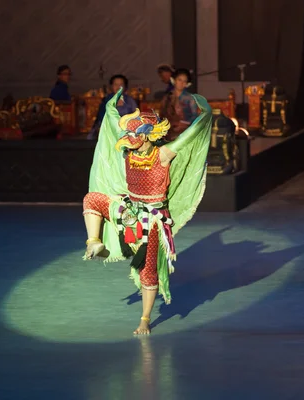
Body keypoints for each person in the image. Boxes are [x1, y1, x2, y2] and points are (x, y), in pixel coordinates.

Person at [82, 88, 212, 335]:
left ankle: (144, 318)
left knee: (148, 269)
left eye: (135, 134)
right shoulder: (128, 152)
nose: (130, 138)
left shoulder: (162, 155)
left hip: (152, 219)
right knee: (92, 199)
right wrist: (111, 108)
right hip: (128, 208)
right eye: (129, 134)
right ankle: (93, 242)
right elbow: (112, 130)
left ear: (148, 135)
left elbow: (189, 137)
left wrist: (203, 116)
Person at [87, 74, 138, 140]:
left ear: (125, 87)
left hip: (127, 130)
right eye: (115, 84)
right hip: (108, 130)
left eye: (121, 84)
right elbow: (101, 118)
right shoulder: (106, 100)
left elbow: (136, 116)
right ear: (111, 86)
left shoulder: (130, 101)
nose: (118, 87)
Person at [160, 68, 199, 141]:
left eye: (185, 81)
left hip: (186, 130)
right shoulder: (167, 97)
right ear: (174, 80)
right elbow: (162, 115)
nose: (182, 83)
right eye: (179, 80)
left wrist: (183, 124)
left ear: (187, 84)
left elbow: (195, 116)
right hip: (169, 129)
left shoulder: (190, 98)